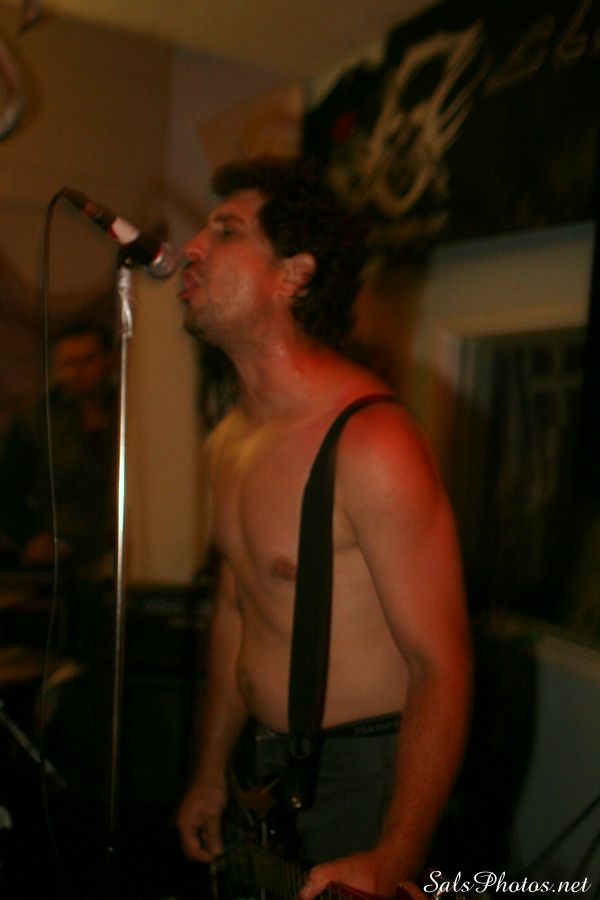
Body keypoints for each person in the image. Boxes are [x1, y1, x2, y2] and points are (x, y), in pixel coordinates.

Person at [175, 156, 472, 900]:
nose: (191, 249)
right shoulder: (228, 440)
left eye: (226, 230)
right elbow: (236, 612)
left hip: (365, 779)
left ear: (294, 274)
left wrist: (395, 857)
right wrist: (209, 776)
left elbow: (442, 667)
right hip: (262, 769)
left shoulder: (372, 442)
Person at [0, 319, 117, 578]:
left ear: (109, 360)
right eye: (68, 364)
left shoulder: (130, 414)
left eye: (87, 361)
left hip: (123, 551)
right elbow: (7, 492)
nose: (78, 372)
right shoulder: (36, 421)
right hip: (62, 560)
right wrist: (30, 537)